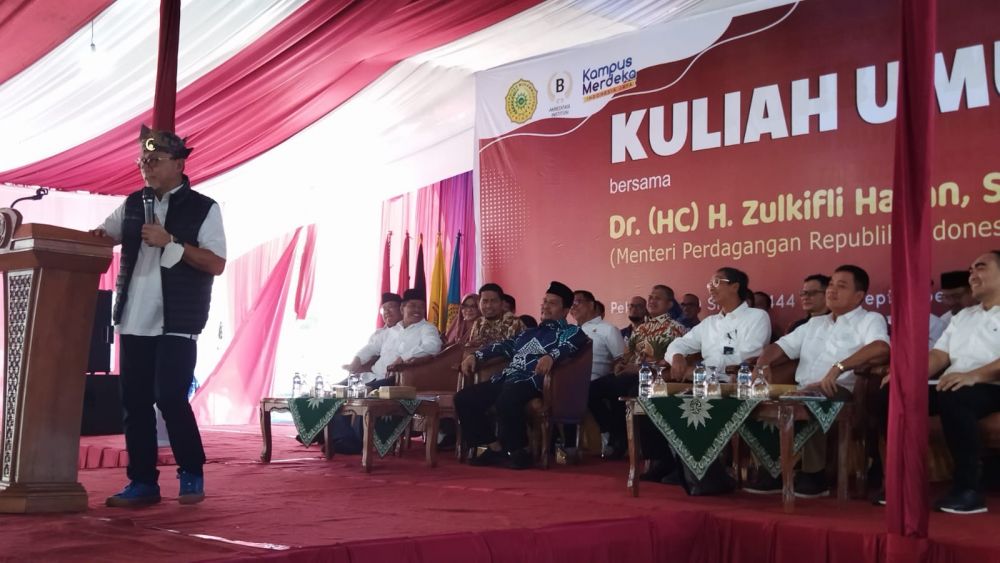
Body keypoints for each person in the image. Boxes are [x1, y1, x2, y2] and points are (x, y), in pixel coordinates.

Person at [93, 126, 226, 507]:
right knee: (134, 403)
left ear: (179, 164)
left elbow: (216, 263)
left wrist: (172, 242)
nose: (146, 167)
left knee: (169, 398)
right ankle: (142, 482)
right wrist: (80, 241)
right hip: (133, 318)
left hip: (177, 322)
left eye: (154, 160)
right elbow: (102, 236)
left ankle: (191, 470)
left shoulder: (204, 207)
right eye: (142, 160)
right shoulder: (133, 204)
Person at [752, 265, 889, 497]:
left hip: (840, 389)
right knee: (758, 399)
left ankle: (814, 475)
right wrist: (761, 365)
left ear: (859, 295)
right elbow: (780, 347)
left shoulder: (869, 319)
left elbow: (881, 348)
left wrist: (839, 367)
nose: (832, 290)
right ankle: (772, 471)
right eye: (831, 285)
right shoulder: (815, 323)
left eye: (841, 286)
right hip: (801, 388)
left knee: (811, 398)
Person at [455, 281, 589, 470]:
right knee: (464, 398)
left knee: (507, 398)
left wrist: (552, 356)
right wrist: (475, 356)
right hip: (507, 378)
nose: (545, 306)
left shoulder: (570, 331)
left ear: (565, 310)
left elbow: (572, 344)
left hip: (533, 381)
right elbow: (502, 346)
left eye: (552, 303)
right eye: (544, 302)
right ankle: (493, 447)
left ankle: (520, 451)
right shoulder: (528, 333)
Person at [929, 251, 1000, 514]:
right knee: (895, 392)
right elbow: (939, 355)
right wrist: (909, 377)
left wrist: (974, 375)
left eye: (980, 267)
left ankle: (968, 489)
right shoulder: (962, 317)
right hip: (960, 384)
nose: (972, 275)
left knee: (955, 395)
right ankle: (899, 481)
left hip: (992, 385)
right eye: (970, 270)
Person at [598, 285, 686, 462]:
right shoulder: (641, 329)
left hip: (654, 378)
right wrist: (621, 364)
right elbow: (627, 354)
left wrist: (638, 368)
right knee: (595, 388)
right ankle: (618, 436)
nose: (652, 301)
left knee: (634, 392)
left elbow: (668, 364)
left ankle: (657, 457)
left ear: (669, 304)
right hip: (630, 375)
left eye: (658, 298)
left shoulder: (676, 329)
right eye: (651, 297)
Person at [666, 268, 771, 382]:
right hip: (703, 384)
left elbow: (746, 356)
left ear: (735, 287)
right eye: (709, 284)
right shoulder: (709, 322)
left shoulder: (757, 316)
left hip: (739, 385)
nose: (711, 288)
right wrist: (677, 356)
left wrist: (702, 369)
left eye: (716, 282)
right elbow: (680, 344)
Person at [568, 291, 624, 458]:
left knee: (591, 389)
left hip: (597, 380)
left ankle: (610, 435)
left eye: (578, 302)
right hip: (569, 381)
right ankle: (565, 446)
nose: (573, 306)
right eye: (571, 304)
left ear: (591, 305)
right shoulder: (569, 331)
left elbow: (621, 360)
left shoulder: (608, 329)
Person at [369, 288, 442, 387]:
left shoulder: (427, 328)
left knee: (361, 391)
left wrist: (403, 357)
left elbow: (433, 346)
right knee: (349, 387)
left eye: (421, 307)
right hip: (374, 375)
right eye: (413, 306)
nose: (417, 310)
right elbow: (372, 347)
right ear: (402, 308)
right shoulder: (392, 330)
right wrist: (357, 359)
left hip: (397, 380)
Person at [343, 293, 402, 377]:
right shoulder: (377, 333)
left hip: (383, 377)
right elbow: (370, 350)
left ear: (401, 309)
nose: (386, 312)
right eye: (384, 309)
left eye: (390, 307)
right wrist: (356, 362)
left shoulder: (404, 331)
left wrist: (361, 366)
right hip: (365, 376)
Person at [466, 283, 525, 347]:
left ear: (502, 303)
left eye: (493, 301)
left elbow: (522, 349)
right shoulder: (479, 322)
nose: (488, 306)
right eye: (485, 301)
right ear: (479, 303)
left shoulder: (514, 322)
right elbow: (473, 348)